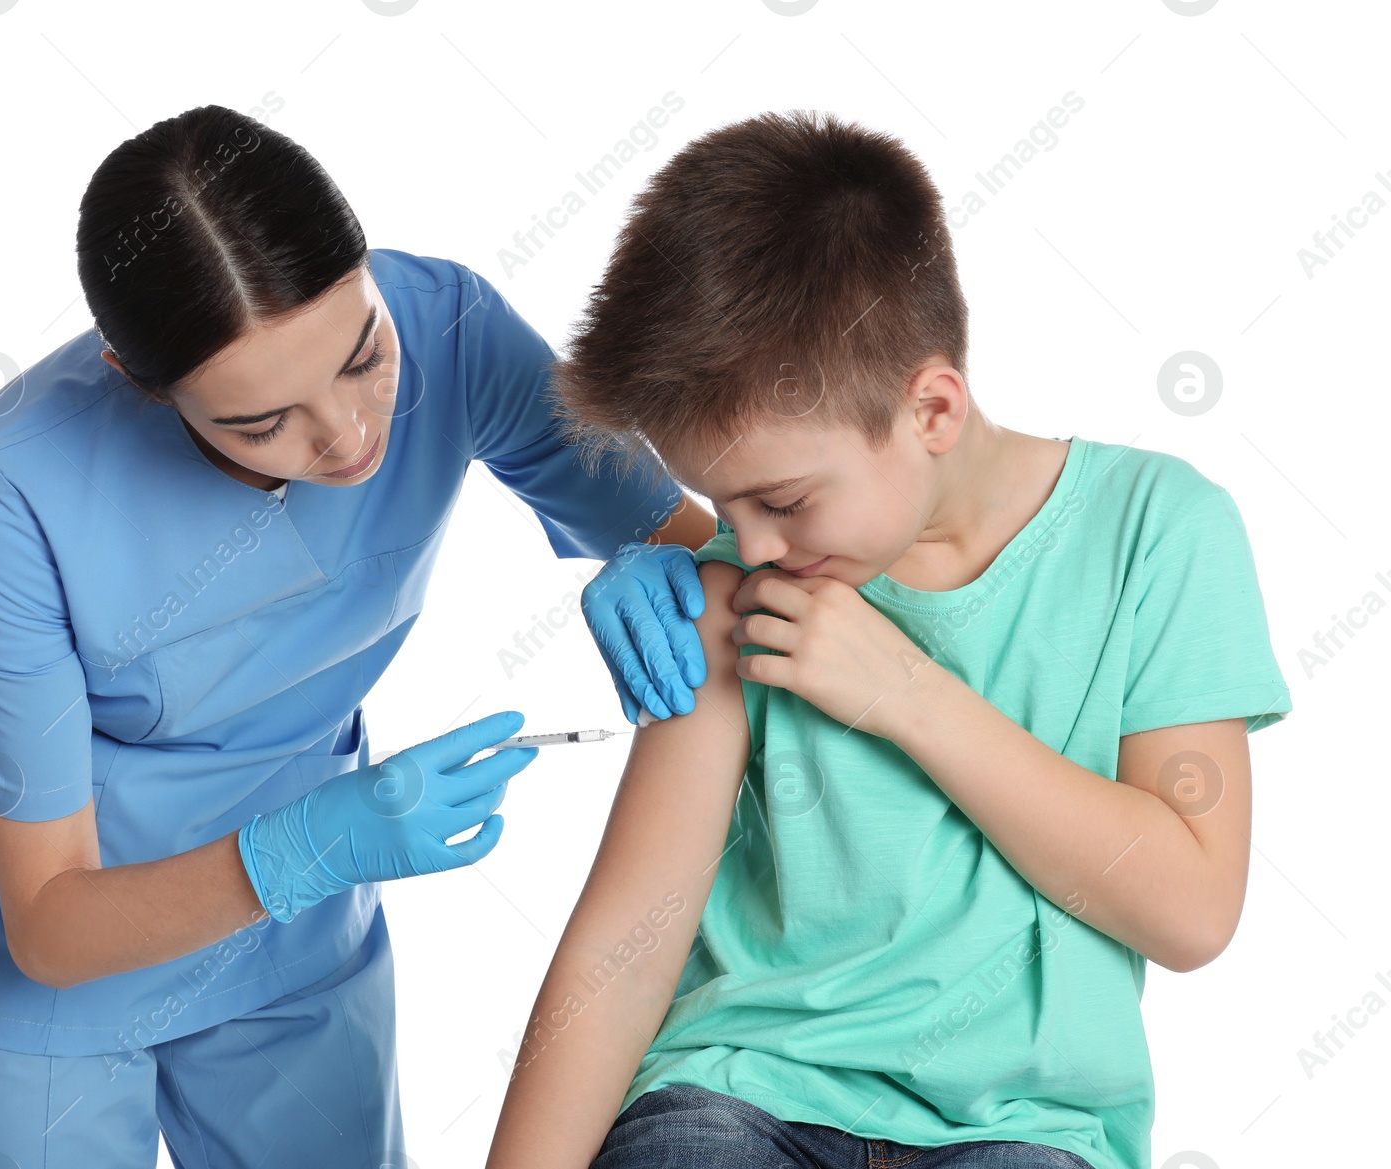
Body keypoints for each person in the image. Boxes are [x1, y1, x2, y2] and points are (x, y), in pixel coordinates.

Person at [0, 104, 718, 1169]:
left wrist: (659, 553)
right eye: (262, 424)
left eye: (363, 356)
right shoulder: (19, 474)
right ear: (141, 385)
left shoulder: (447, 324)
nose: (350, 432)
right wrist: (310, 843)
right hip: (36, 958)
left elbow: (718, 545)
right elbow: (48, 921)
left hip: (294, 935)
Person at [484, 110, 1293, 1169]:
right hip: (739, 1095)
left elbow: (1188, 909)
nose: (749, 542)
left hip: (1023, 1127)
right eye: (722, 501)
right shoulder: (738, 587)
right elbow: (623, 951)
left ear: (931, 410)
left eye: (781, 497)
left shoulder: (1159, 532)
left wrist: (905, 692)